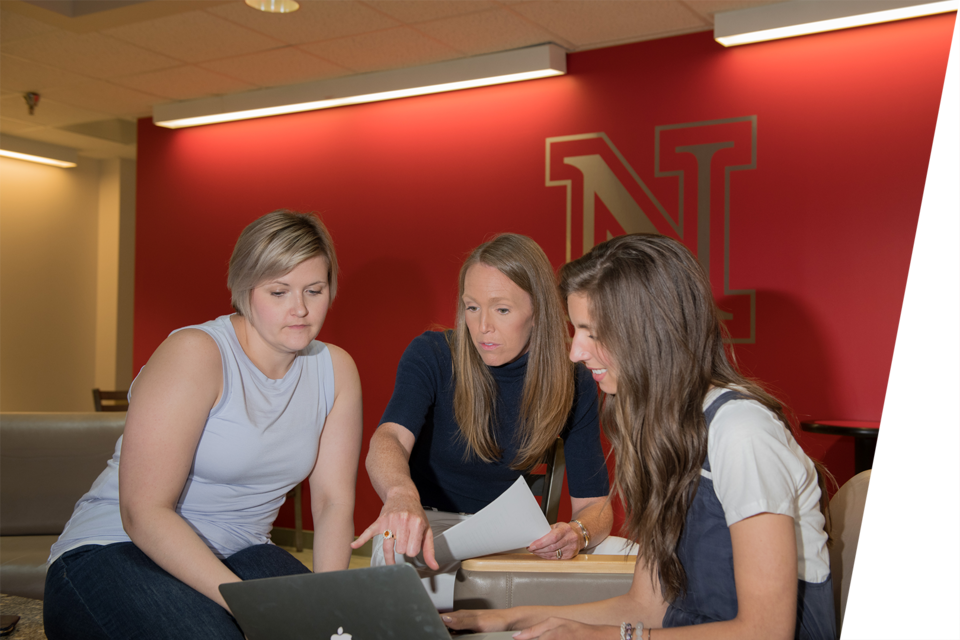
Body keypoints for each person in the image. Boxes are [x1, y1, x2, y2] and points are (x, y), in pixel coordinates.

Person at [443, 233, 836, 640]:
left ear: (650, 332)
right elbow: (646, 605)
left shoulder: (742, 434)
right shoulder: (658, 432)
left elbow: (767, 631)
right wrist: (510, 618)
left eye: (590, 332)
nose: (575, 351)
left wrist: (606, 637)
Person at [43, 211, 363, 640]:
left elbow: (331, 504)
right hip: (114, 549)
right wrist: (247, 606)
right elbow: (143, 512)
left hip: (243, 550)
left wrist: (331, 606)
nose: (300, 309)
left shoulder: (335, 369)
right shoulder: (196, 353)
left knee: (330, 634)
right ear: (244, 290)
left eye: (314, 290)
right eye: (279, 291)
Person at [352, 233, 615, 608]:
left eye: (502, 310)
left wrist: (579, 532)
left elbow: (595, 503)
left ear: (538, 310)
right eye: (472, 308)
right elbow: (389, 438)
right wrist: (399, 495)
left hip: (508, 536)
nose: (483, 327)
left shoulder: (574, 378)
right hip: (426, 521)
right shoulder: (433, 355)